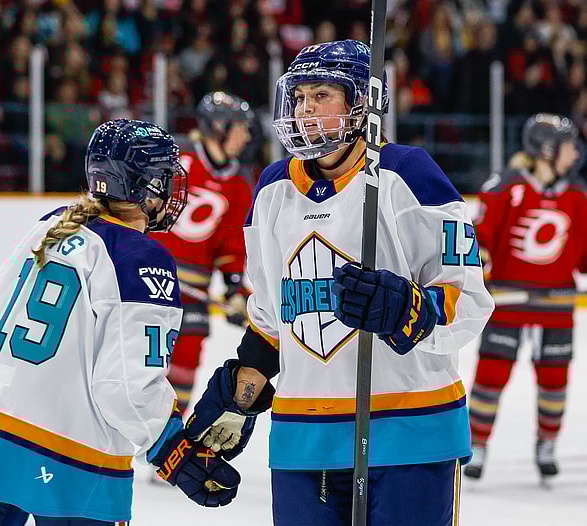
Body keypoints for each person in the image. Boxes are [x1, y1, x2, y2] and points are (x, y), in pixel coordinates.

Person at [181, 40, 495, 525]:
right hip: (304, 438)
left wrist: (407, 309)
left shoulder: (410, 175)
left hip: (410, 432)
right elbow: (270, 317)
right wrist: (245, 388)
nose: (305, 110)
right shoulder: (271, 190)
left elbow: (469, 300)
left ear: (361, 104)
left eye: (322, 95)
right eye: (300, 97)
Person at [0, 119, 242, 526]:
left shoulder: (51, 223)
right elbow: (125, 385)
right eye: (165, 178)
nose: (170, 189)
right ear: (142, 186)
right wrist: (170, 447)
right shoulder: (141, 256)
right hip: (69, 450)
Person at [464, 113, 587, 481]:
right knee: (490, 378)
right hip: (507, 307)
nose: (575, 153)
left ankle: (547, 444)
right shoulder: (503, 188)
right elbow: (479, 241)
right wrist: (479, 266)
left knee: (554, 382)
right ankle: (477, 445)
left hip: (556, 310)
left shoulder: (577, 195)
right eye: (567, 146)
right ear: (546, 150)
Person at [151, 91, 255, 414]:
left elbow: (231, 247)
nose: (247, 136)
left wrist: (236, 289)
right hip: (149, 285)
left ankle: (163, 450)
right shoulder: (176, 162)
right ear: (219, 127)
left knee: (181, 377)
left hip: (193, 299)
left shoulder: (239, 184)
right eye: (241, 127)